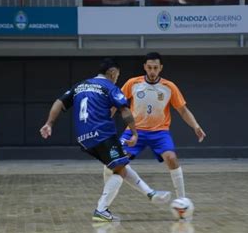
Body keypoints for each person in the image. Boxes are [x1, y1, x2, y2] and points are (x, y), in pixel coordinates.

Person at [40, 58, 168, 222]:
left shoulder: (80, 86)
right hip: (102, 134)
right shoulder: (110, 87)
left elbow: (59, 102)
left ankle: (150, 193)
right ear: (112, 73)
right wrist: (135, 133)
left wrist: (49, 123)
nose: (117, 78)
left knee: (120, 164)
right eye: (117, 75)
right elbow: (125, 111)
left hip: (83, 138)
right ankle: (101, 209)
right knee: (120, 169)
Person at [104, 52, 206, 201]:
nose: (152, 71)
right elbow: (115, 105)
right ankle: (105, 206)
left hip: (160, 132)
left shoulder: (169, 87)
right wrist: (105, 122)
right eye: (150, 67)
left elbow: (183, 110)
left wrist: (196, 126)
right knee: (116, 163)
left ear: (160, 68)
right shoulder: (133, 83)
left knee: (171, 158)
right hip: (134, 131)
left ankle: (182, 201)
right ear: (145, 67)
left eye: (155, 68)